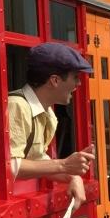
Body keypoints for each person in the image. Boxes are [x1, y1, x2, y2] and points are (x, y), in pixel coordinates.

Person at [6, 42, 95, 207]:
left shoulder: (48, 114)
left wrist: (72, 175)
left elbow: (38, 158)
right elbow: (10, 166)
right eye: (75, 77)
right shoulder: (17, 106)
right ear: (54, 80)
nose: (79, 84)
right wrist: (64, 165)